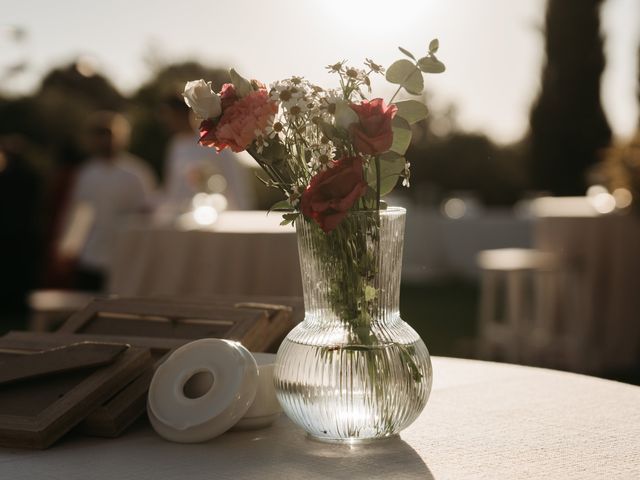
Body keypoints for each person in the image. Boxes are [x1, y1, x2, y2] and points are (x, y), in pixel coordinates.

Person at [60, 111, 156, 291]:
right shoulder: (86, 173)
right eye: (98, 134)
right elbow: (79, 214)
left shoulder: (136, 173)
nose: (103, 140)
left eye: (108, 134)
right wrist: (68, 250)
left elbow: (147, 213)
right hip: (91, 256)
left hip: (125, 256)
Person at [159, 96, 255, 211]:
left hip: (214, 214)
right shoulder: (175, 145)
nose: (166, 121)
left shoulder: (210, 140)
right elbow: (171, 188)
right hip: (181, 217)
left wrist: (242, 211)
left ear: (180, 114)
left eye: (169, 115)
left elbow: (234, 179)